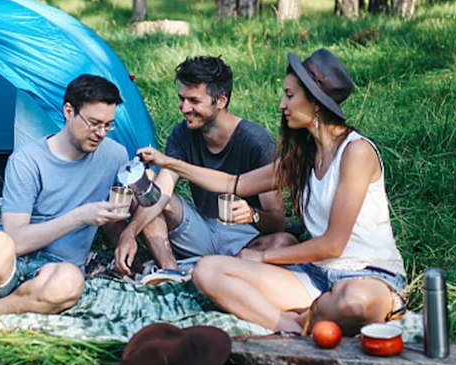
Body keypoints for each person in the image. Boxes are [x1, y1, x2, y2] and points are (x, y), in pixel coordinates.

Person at [137, 49, 406, 336]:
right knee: (208, 271)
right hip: (315, 277)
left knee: (353, 303)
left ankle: (306, 313)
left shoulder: (356, 152)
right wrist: (170, 163)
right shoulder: (304, 157)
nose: (282, 104)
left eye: (290, 95)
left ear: (315, 102)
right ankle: (290, 324)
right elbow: (233, 184)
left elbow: (333, 245)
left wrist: (262, 259)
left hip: (367, 276)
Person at [0, 74, 130, 326]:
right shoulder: (27, 161)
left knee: (71, 282)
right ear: (68, 111)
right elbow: (16, 240)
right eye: (94, 123)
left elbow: (114, 218)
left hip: (56, 269)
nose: (101, 133)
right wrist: (79, 216)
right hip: (9, 261)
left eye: (108, 125)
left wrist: (126, 240)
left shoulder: (115, 155)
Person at [115, 56, 289, 277]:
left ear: (221, 100)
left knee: (284, 241)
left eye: (194, 101)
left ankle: (219, 269)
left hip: (245, 238)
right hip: (201, 229)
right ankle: (170, 273)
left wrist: (253, 215)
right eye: (182, 99)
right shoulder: (182, 134)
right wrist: (128, 234)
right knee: (148, 187)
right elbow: (162, 192)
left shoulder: (256, 142)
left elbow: (277, 223)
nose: (184, 108)